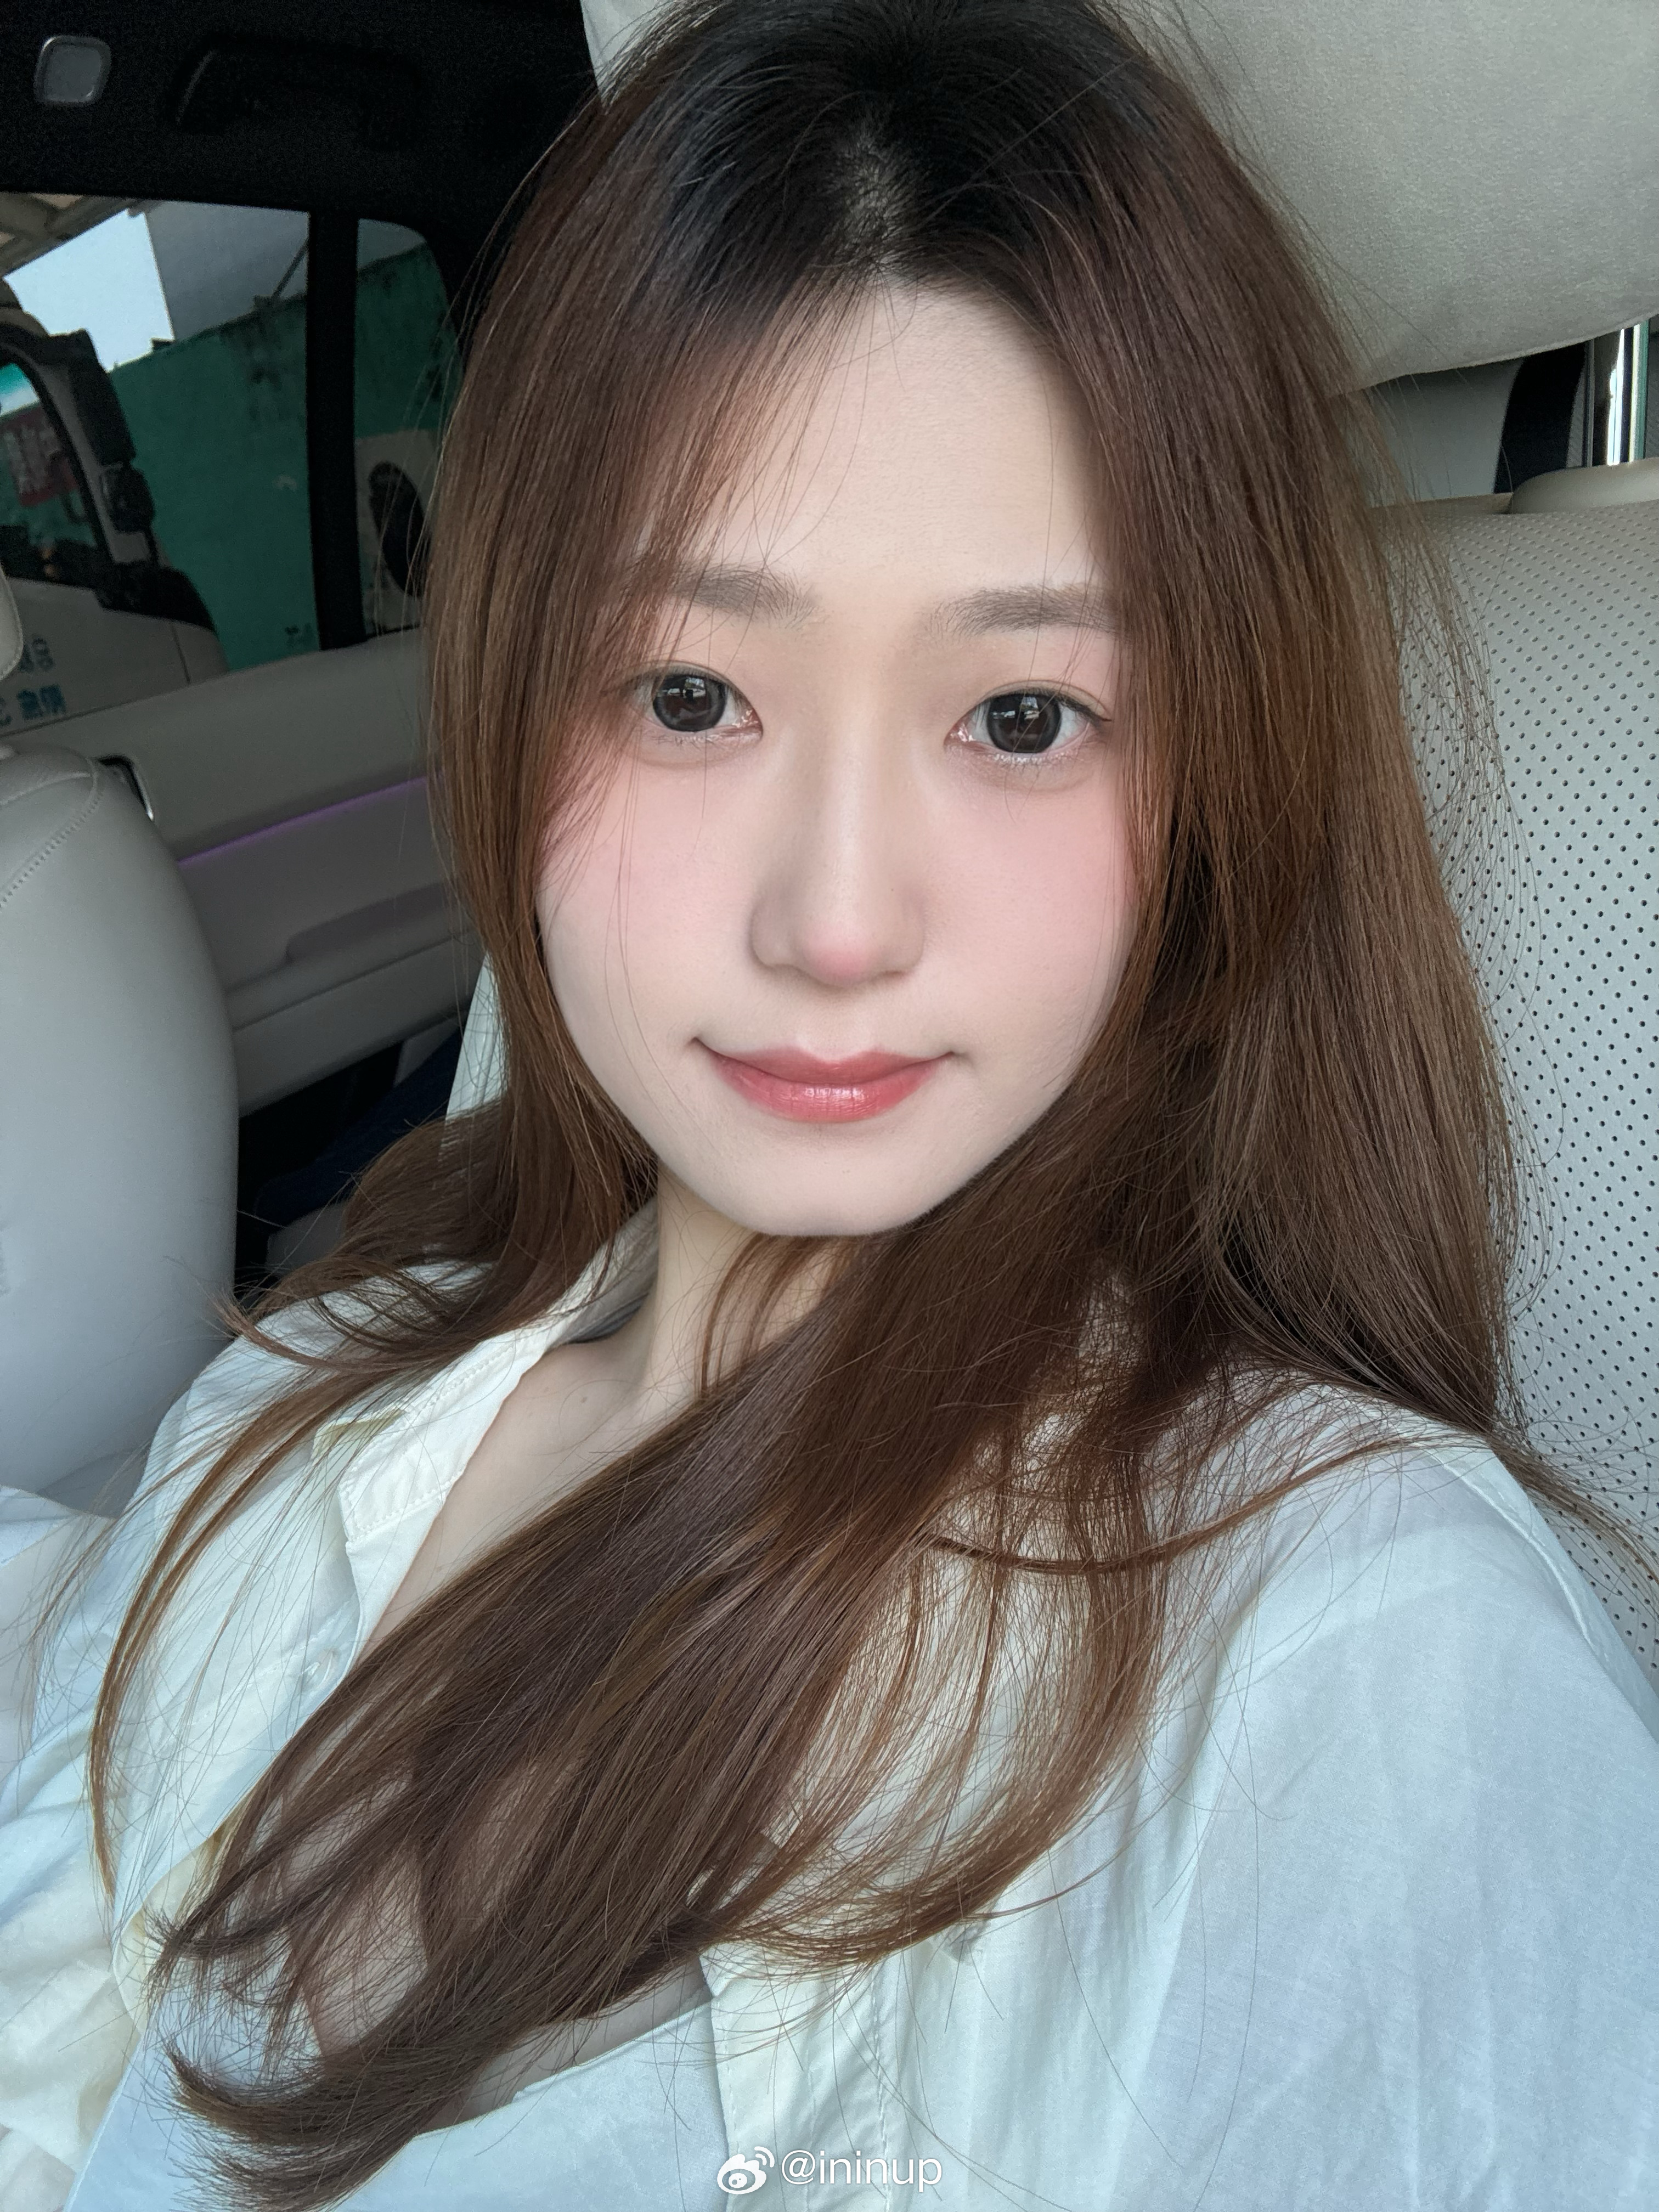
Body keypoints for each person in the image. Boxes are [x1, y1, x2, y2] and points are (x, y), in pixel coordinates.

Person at [2, 1, 1656, 2205]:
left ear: (1209, 783)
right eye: (692, 695)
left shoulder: (1361, 1667)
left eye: (1023, 717)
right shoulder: (305, 1396)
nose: (837, 922)